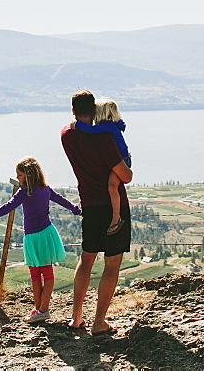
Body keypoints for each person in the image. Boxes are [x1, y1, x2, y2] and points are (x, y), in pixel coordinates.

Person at [61, 89, 133, 335]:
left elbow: (72, 127)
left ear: (73, 111)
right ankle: (99, 322)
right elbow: (126, 176)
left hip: (89, 206)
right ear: (95, 111)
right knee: (111, 265)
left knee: (86, 260)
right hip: (115, 208)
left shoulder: (67, 136)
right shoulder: (105, 140)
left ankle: (76, 317)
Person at [0, 157, 81, 324]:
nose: (18, 179)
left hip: (33, 237)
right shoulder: (45, 189)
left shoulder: (25, 192)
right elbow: (61, 200)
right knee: (45, 272)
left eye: (19, 175)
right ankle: (39, 309)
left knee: (37, 274)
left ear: (28, 175)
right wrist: (75, 210)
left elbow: (7, 207)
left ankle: (43, 309)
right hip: (46, 234)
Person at [75, 99, 130, 235]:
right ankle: (115, 217)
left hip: (123, 161)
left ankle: (116, 218)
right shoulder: (112, 126)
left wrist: (76, 125)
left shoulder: (107, 126)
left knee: (112, 188)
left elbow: (91, 130)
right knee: (111, 187)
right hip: (123, 159)